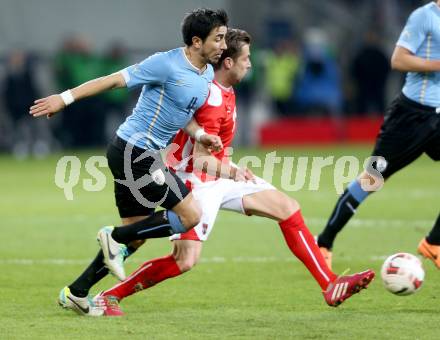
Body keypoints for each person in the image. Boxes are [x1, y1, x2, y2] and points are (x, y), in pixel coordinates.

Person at [94, 28, 375, 316]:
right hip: (195, 180)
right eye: (246, 58)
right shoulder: (211, 98)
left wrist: (231, 171)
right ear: (228, 63)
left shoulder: (221, 89)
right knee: (184, 260)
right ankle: (108, 296)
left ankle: (330, 284)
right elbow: (201, 160)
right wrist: (234, 172)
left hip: (221, 175)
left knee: (288, 208)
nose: (250, 63)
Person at [29, 8, 229, 316]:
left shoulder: (205, 74)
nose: (223, 46)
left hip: (135, 153)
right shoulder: (165, 63)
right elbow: (113, 81)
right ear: (196, 41)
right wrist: (64, 98)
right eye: (218, 39)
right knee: (190, 215)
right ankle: (113, 236)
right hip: (135, 152)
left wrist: (200, 134)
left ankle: (77, 292)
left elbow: (182, 112)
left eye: (224, 38)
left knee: (136, 237)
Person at [317, 2, 440, 270]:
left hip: (439, 117)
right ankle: (324, 242)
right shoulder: (424, 16)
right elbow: (399, 59)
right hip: (410, 117)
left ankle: (434, 243)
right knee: (372, 179)